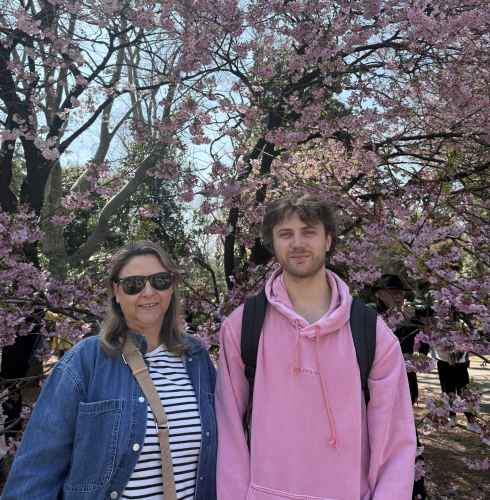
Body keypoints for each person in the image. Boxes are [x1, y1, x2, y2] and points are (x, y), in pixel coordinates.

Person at [215, 193, 416, 500]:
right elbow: (228, 430)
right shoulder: (243, 327)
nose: (297, 243)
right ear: (273, 243)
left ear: (328, 240)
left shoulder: (370, 332)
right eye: (285, 234)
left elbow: (395, 439)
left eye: (308, 232)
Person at [2, 241, 217, 500]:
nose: (148, 292)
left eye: (160, 280)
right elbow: (36, 471)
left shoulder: (196, 358)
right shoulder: (86, 361)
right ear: (116, 291)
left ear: (172, 287)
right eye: (134, 285)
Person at [374, 274, 431, 500]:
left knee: (407, 439)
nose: (397, 296)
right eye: (392, 291)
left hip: (406, 385)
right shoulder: (370, 318)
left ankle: (414, 489)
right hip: (376, 387)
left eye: (400, 292)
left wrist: (423, 328)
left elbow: (424, 352)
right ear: (379, 293)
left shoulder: (410, 319)